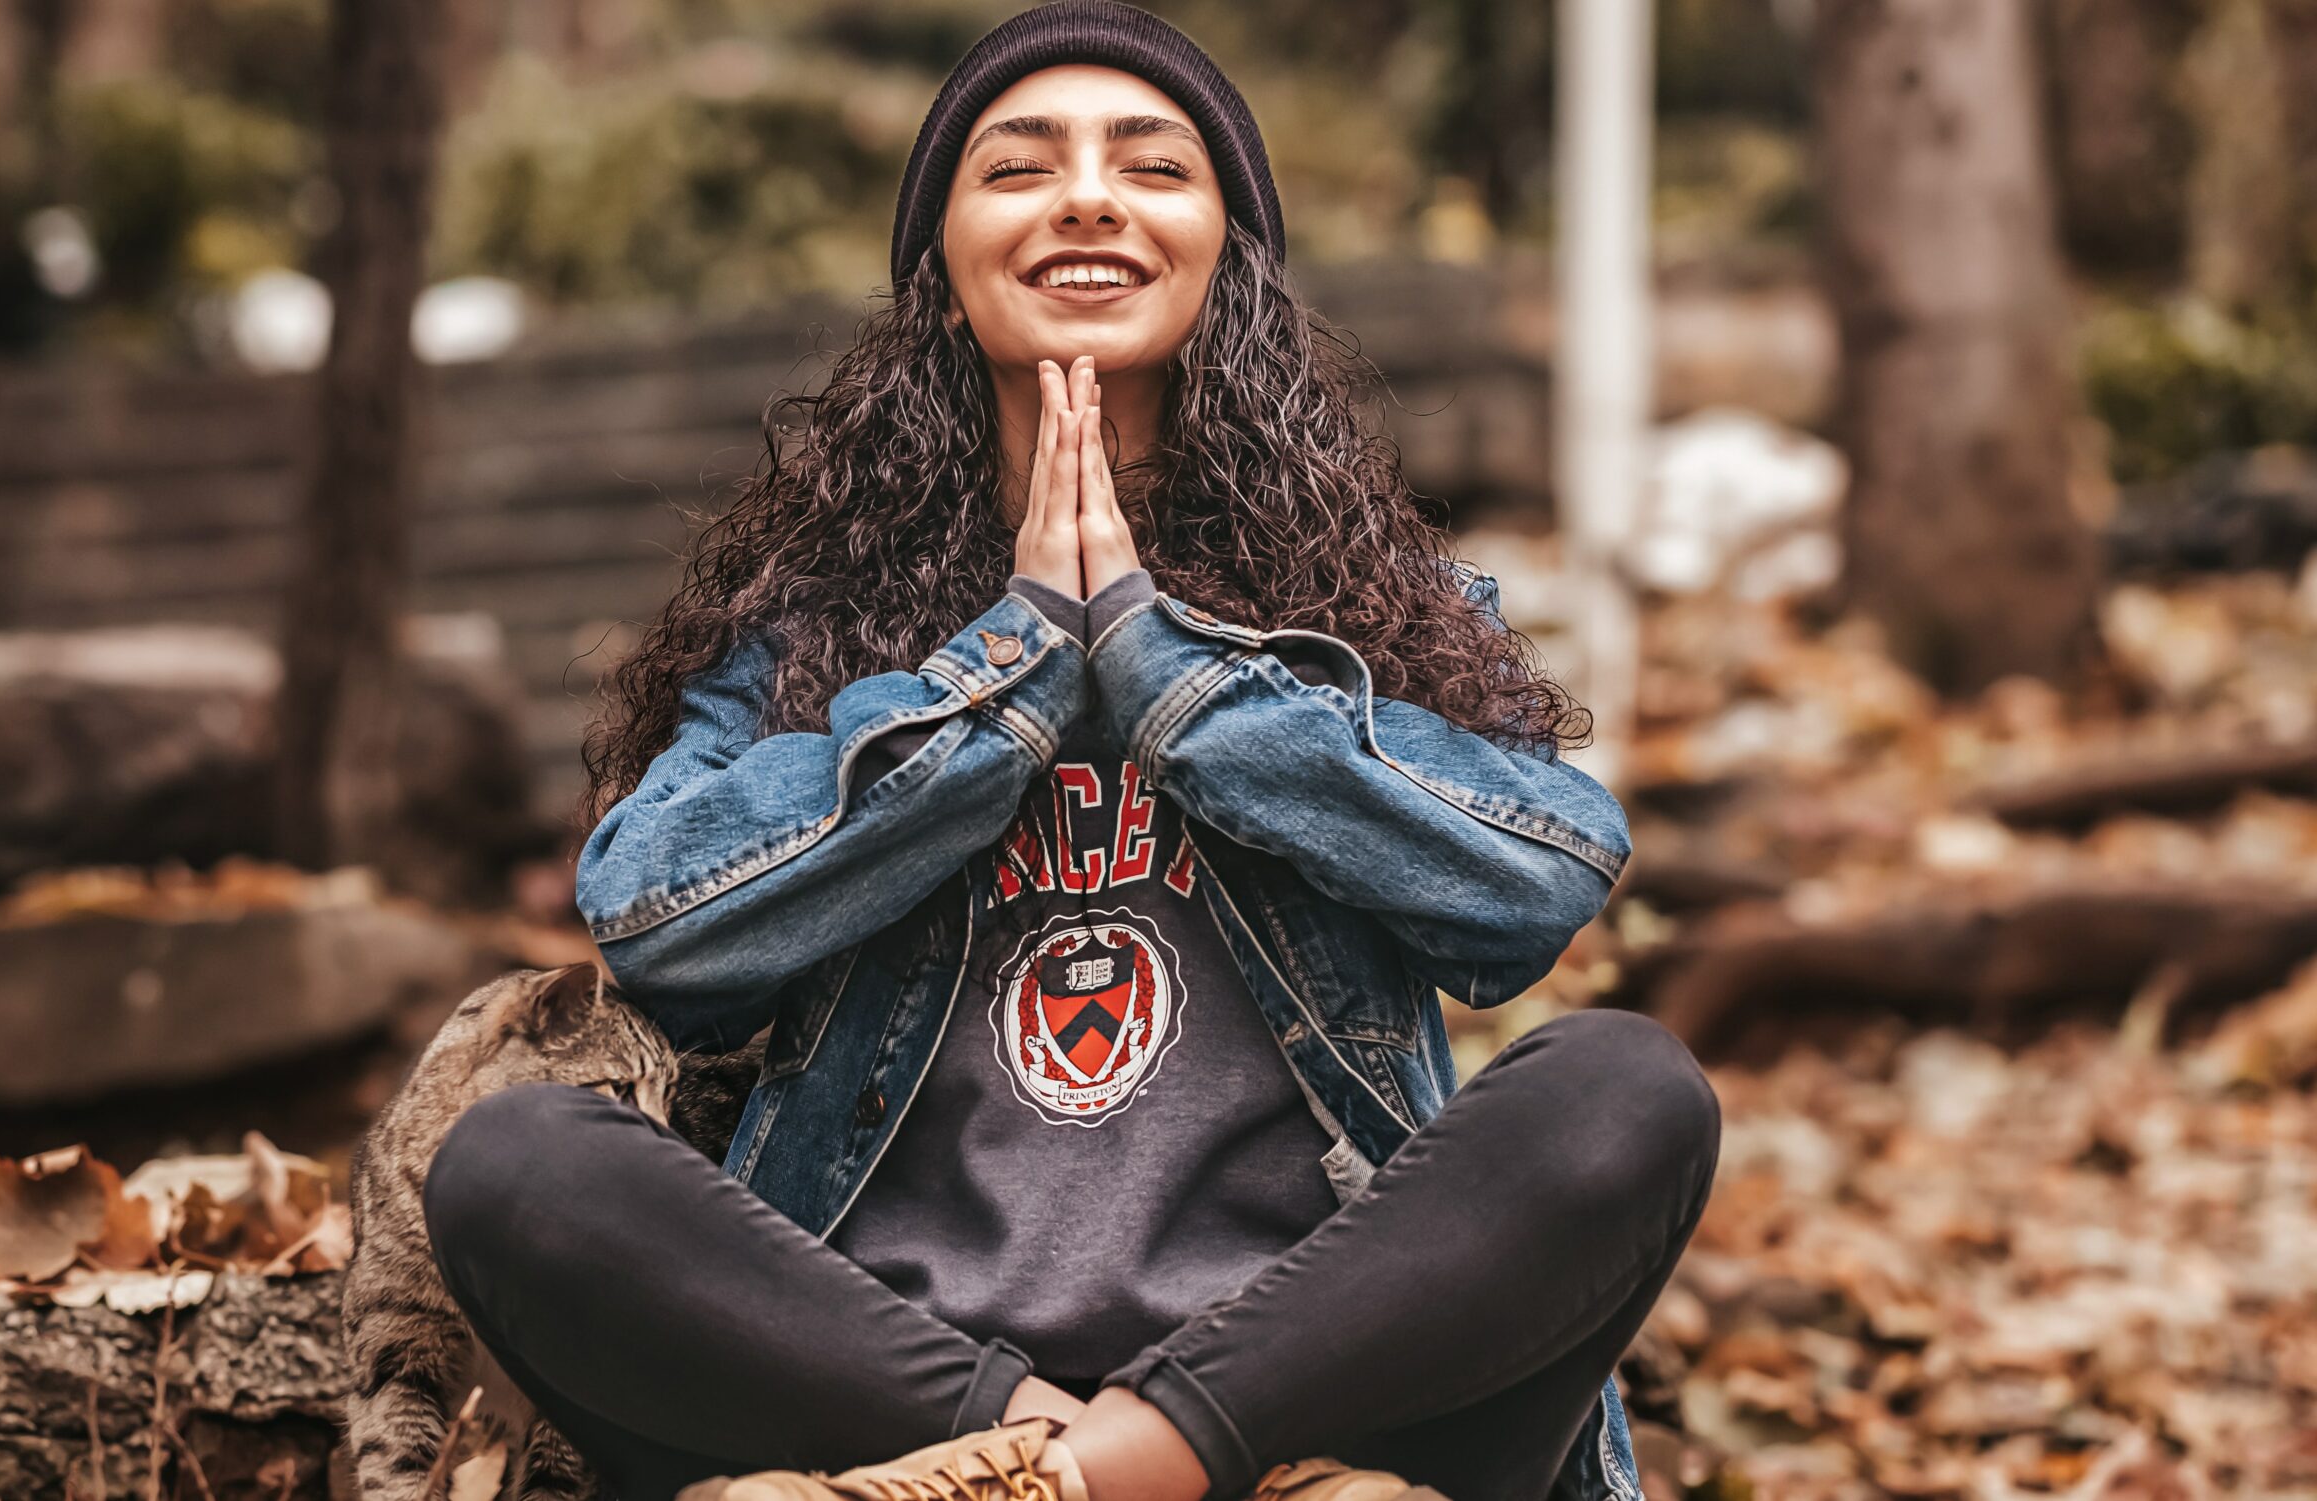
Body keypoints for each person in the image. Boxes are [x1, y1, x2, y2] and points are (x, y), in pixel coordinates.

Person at [419, 5, 1720, 1501]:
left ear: (1227, 252)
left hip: (1316, 1391)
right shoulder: (806, 640)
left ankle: (1087, 1476)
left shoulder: (1380, 615)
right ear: (943, 267)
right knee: (517, 1167)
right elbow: (656, 922)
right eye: (1020, 166)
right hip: (898, 1407)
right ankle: (1078, 1465)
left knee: (1631, 1092)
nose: (1088, 196)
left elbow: (1540, 878)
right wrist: (1012, 670)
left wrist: (1170, 672)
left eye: (1152, 165)